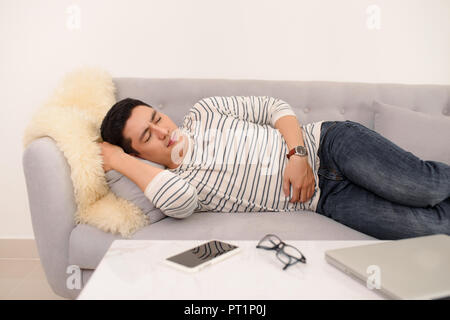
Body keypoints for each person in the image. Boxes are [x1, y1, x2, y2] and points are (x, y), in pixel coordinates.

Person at [99, 97, 450, 240]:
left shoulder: (205, 112)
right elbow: (180, 202)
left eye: (157, 119)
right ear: (139, 154)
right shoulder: (174, 182)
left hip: (328, 145)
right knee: (429, 228)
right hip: (324, 198)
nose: (164, 131)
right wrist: (118, 160)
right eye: (148, 136)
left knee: (425, 190)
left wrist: (297, 155)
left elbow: (274, 106)